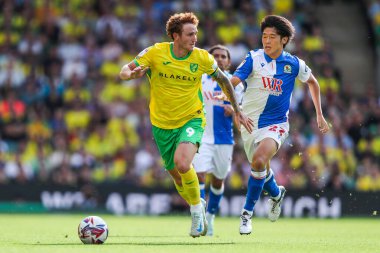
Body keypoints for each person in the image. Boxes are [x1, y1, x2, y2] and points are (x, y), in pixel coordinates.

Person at [119, 12, 253, 238]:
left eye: (196, 33)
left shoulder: (202, 58)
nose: (195, 38)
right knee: (177, 175)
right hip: (161, 124)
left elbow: (223, 80)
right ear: (175, 36)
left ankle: (195, 213)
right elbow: (125, 69)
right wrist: (129, 76)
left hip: (192, 118)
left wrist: (238, 110)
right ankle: (196, 202)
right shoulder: (155, 52)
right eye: (190, 34)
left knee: (183, 163)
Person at [224, 15, 329, 234]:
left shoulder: (294, 64)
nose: (267, 40)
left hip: (277, 124)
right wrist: (236, 108)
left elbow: (313, 82)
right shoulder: (253, 59)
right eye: (264, 36)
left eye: (272, 36)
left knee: (260, 159)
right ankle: (276, 193)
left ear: (284, 39)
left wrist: (319, 114)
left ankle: (246, 215)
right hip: (249, 123)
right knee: (260, 166)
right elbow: (231, 83)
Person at [193, 45, 243, 236]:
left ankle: (211, 216)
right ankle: (200, 218)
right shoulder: (199, 80)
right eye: (216, 56)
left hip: (224, 139)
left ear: (229, 62)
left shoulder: (235, 84)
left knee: (218, 181)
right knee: (199, 175)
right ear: (210, 59)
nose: (220, 59)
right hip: (202, 137)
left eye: (223, 56)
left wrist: (235, 111)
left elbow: (243, 112)